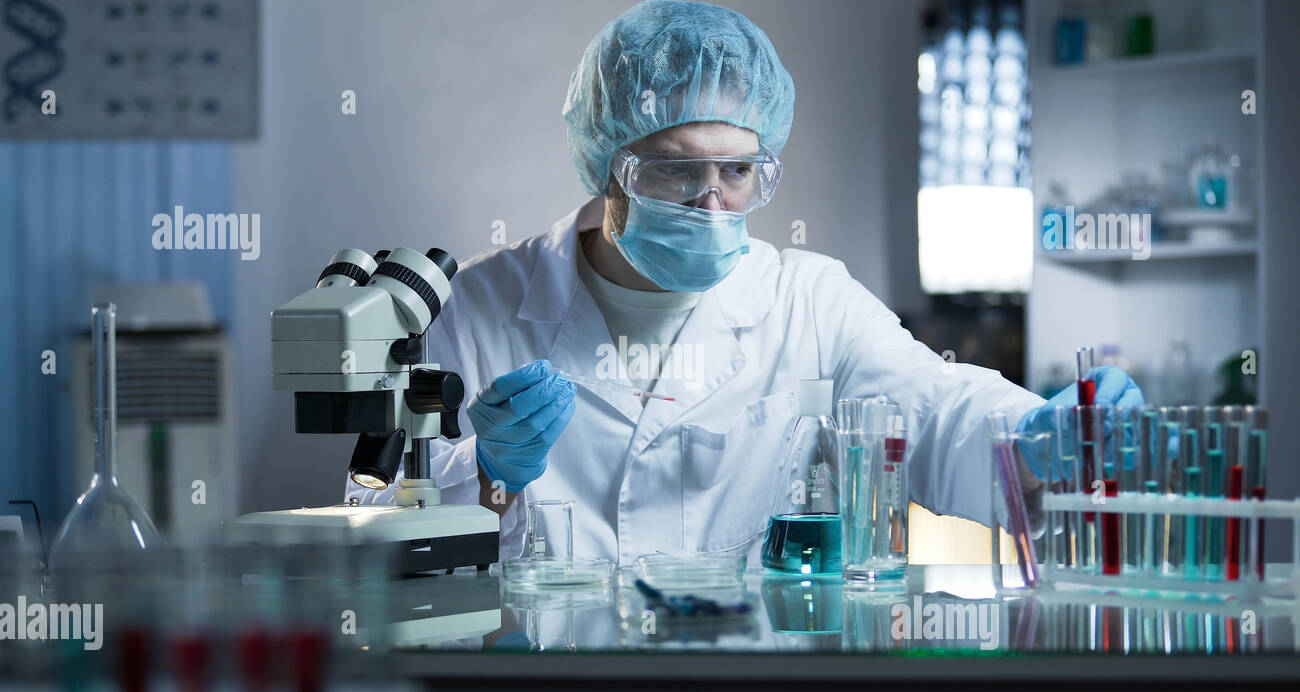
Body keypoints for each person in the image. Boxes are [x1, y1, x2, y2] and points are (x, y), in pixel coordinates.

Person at [351, 0, 1143, 565]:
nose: (710, 198)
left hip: (747, 684)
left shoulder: (809, 301)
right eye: (674, 168)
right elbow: (367, 520)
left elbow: (931, 412)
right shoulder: (478, 308)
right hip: (544, 689)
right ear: (608, 167)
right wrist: (483, 475)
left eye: (736, 169)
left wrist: (1043, 435)